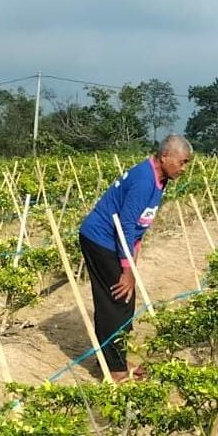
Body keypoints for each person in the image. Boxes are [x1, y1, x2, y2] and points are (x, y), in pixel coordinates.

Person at [79, 135, 192, 381]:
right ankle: (115, 370)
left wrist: (131, 263)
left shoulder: (161, 180)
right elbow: (127, 224)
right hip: (101, 239)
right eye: (182, 162)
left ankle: (117, 361)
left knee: (124, 303)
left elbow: (139, 226)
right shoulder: (144, 180)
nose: (183, 169)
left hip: (116, 241)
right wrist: (126, 270)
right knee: (117, 300)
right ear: (165, 157)